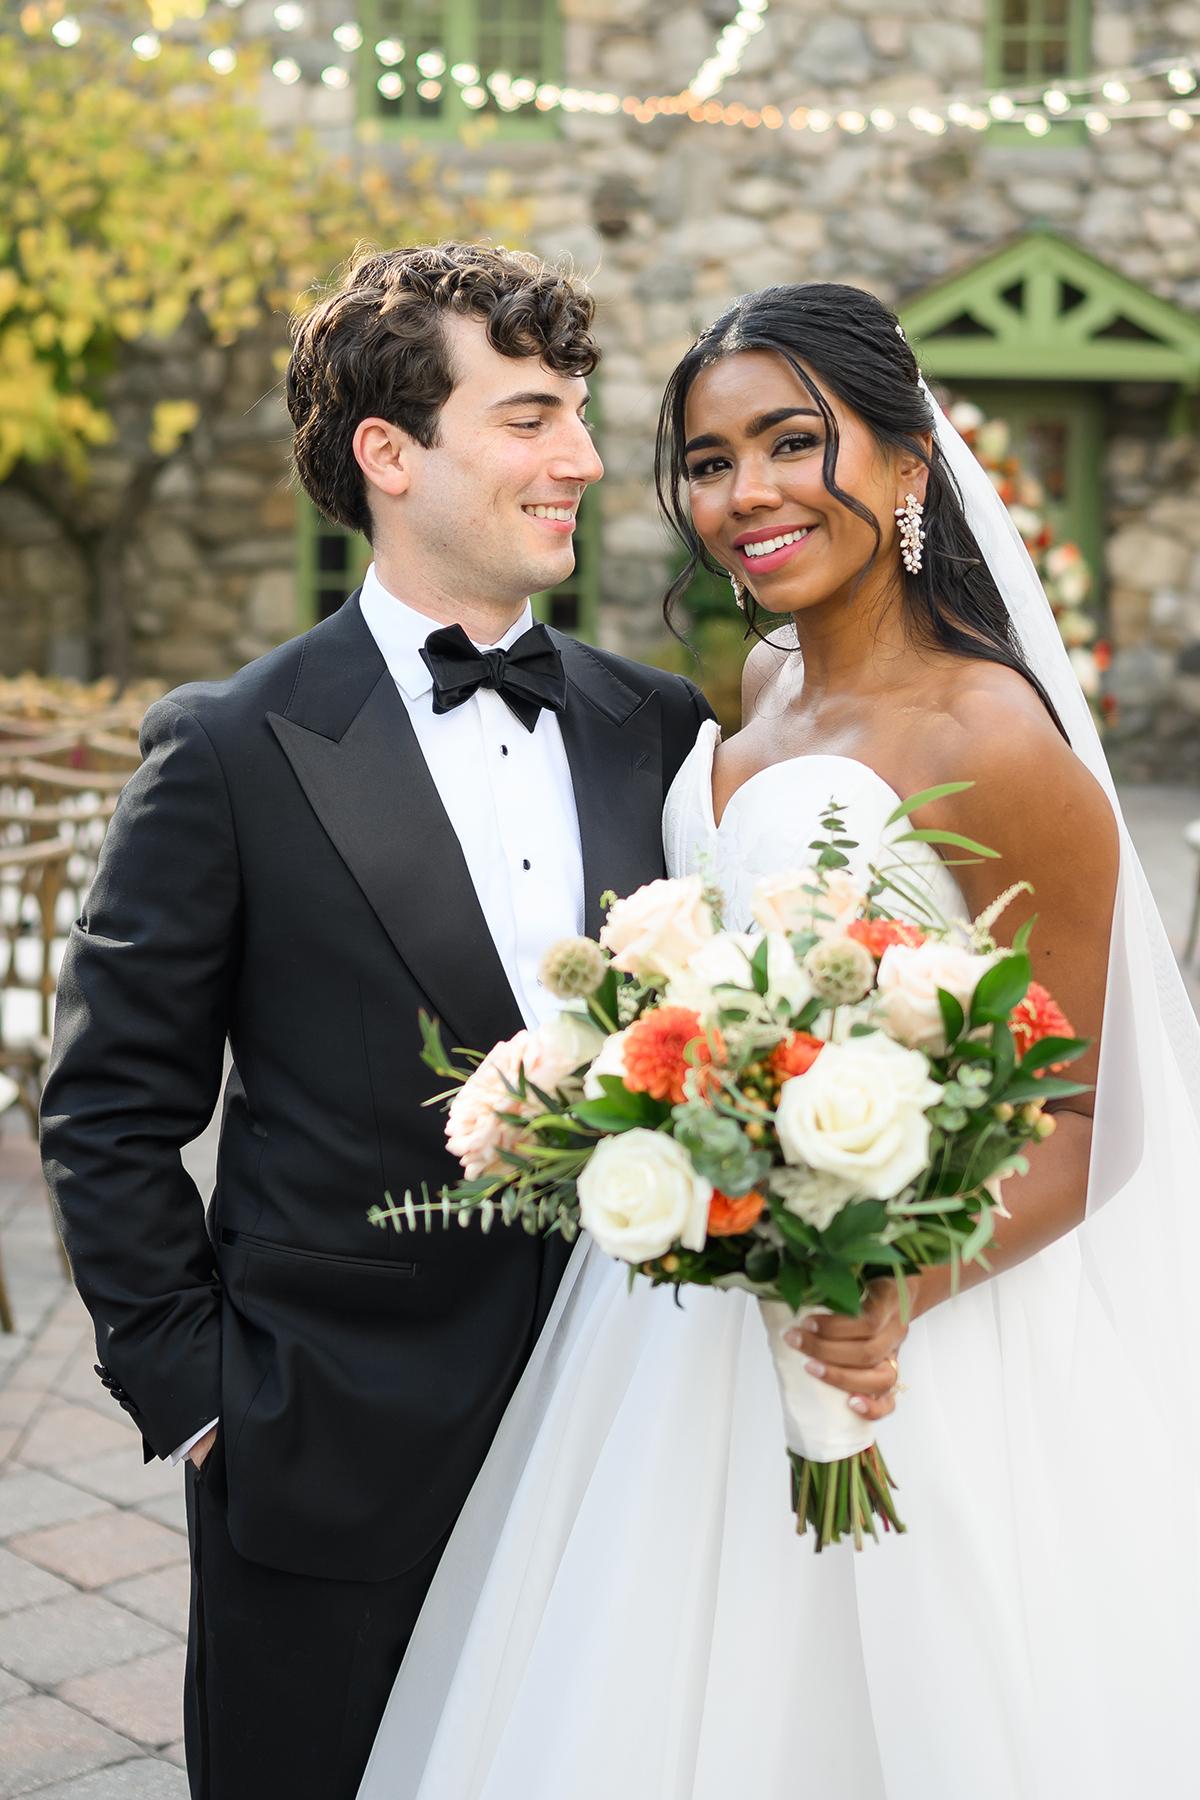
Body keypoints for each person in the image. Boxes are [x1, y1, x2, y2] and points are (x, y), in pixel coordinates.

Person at [356, 283, 1200, 1800]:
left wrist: (895, 1287)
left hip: (917, 1343)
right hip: (687, 1318)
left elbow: (1091, 1116)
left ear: (905, 463)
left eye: (793, 442)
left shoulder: (990, 740)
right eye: (706, 459)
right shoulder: (764, 683)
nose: (744, 492)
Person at [38, 241, 712, 1800]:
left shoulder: (656, 727)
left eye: (579, 414)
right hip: (326, 1448)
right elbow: (109, 1108)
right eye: (531, 416)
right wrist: (202, 1399)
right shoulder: (227, 746)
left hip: (631, 1436)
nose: (587, 459)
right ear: (390, 455)